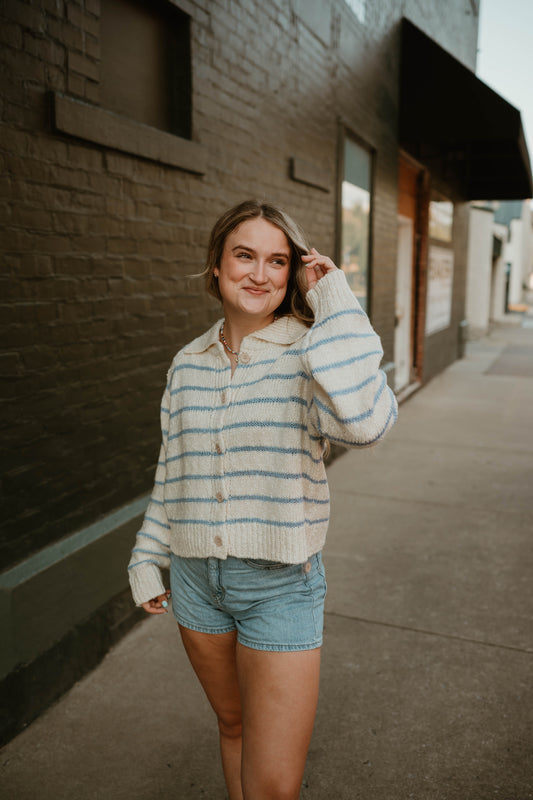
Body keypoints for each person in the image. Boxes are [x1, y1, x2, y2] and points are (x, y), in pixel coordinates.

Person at [128, 199, 398, 800]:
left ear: (292, 272)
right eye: (244, 255)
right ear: (216, 265)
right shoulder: (186, 364)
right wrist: (147, 556)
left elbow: (367, 424)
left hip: (281, 587)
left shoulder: (311, 352)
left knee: (274, 787)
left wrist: (336, 302)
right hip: (196, 582)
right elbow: (174, 472)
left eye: (277, 261)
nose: (259, 273)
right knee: (233, 726)